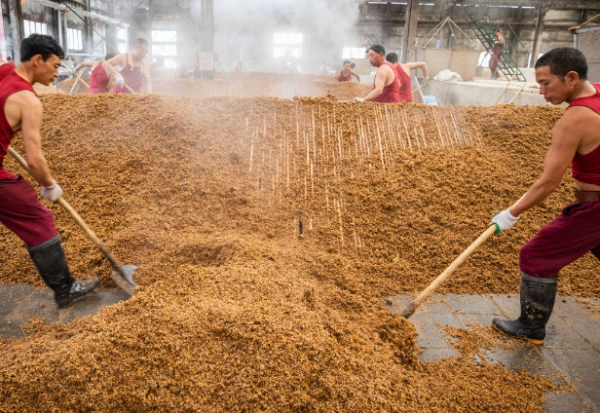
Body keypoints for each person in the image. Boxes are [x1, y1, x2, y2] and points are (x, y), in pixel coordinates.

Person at [490, 47, 600, 344]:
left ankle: (531, 327)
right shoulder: (599, 94)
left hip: (595, 209)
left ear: (572, 78)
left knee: (536, 254)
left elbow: (549, 182)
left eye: (546, 83)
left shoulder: (575, 119)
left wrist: (511, 213)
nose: (541, 91)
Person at [0, 34, 99, 308]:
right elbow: (34, 160)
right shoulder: (29, 101)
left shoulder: (4, 70)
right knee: (38, 219)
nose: (58, 73)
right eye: (55, 66)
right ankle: (66, 289)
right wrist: (49, 185)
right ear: (37, 60)